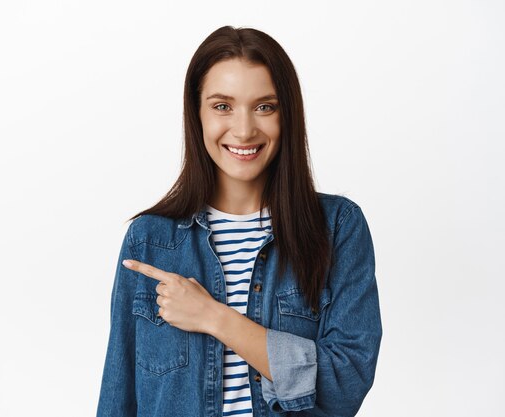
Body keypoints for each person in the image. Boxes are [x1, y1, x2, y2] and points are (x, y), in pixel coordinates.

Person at [96, 25, 382, 417]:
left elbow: (346, 384)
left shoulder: (337, 228)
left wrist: (215, 318)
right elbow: (119, 398)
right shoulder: (149, 241)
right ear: (196, 114)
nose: (244, 129)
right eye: (222, 106)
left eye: (265, 106)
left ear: (287, 115)